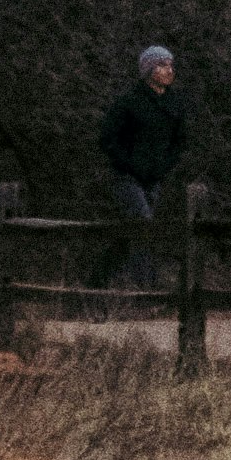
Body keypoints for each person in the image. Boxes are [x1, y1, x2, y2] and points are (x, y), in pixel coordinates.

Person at [97, 41, 189, 294]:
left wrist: (164, 166)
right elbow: (107, 138)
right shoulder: (129, 101)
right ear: (149, 70)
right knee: (143, 225)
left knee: (133, 233)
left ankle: (96, 281)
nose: (169, 70)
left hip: (154, 178)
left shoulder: (174, 103)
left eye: (171, 65)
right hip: (127, 177)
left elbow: (179, 141)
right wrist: (128, 164)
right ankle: (146, 290)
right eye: (162, 65)